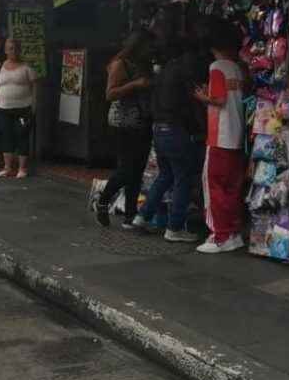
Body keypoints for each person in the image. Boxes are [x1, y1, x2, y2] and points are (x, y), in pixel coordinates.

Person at [133, 31, 209, 243]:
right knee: (182, 178)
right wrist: (197, 128)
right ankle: (174, 227)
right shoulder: (184, 72)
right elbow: (189, 106)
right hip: (175, 131)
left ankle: (143, 216)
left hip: (159, 129)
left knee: (165, 175)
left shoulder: (164, 72)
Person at [193, 22, 246, 253]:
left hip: (219, 136)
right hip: (236, 136)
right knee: (232, 188)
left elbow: (219, 100)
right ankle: (233, 233)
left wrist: (203, 97)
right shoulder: (237, 68)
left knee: (214, 187)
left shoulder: (216, 67)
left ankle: (220, 236)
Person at [95, 31, 154, 229]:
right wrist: (136, 84)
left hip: (141, 121)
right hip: (123, 122)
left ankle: (130, 214)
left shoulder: (144, 64)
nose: (151, 49)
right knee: (127, 168)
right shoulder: (121, 64)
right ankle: (103, 200)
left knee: (137, 170)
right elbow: (110, 93)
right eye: (148, 46)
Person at [0, 39, 37, 179]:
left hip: (23, 108)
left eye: (15, 48)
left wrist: (34, 106)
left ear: (19, 50)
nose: (13, 51)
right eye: (10, 48)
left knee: (22, 135)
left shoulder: (27, 67)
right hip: (3, 107)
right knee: (6, 136)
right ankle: (7, 167)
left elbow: (35, 87)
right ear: (5, 50)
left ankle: (22, 168)